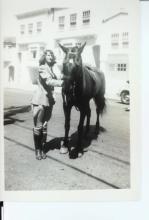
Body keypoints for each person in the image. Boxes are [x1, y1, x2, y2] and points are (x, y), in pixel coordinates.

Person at [31, 49, 63, 160]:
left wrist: (66, 77)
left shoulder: (51, 69)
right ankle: (37, 151)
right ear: (44, 57)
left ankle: (43, 148)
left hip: (48, 101)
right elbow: (49, 81)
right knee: (38, 127)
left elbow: (57, 78)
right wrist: (64, 83)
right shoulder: (42, 67)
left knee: (44, 126)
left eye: (51, 54)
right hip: (40, 100)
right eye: (48, 54)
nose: (50, 56)